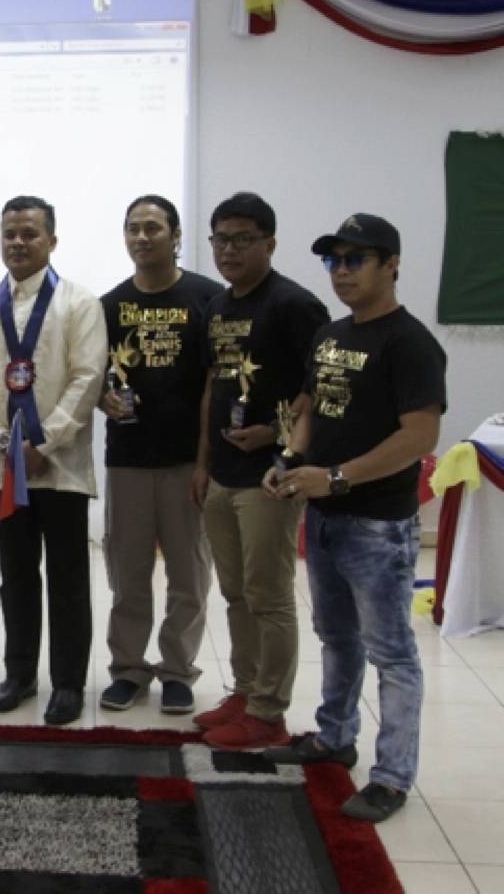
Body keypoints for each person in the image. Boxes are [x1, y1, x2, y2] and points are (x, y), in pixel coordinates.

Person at [263, 213, 445, 823]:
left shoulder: (412, 343)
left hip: (378, 526)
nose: (341, 271)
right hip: (323, 517)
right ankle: (334, 737)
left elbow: (418, 435)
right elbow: (310, 405)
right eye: (332, 261)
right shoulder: (330, 335)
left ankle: (392, 776)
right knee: (336, 638)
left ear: (391, 263)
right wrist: (289, 457)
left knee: (391, 653)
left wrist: (337, 477)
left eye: (355, 259)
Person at [0, 195, 107, 725]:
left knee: (68, 577)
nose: (17, 243)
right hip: (4, 468)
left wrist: (43, 443)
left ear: (52, 241)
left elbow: (89, 378)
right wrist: (4, 443)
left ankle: (67, 684)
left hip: (60, 468)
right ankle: (18, 675)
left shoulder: (79, 303)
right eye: (9, 234)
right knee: (15, 574)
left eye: (28, 234)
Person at [191, 192, 329, 749]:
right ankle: (245, 692)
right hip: (223, 472)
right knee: (235, 593)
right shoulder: (219, 307)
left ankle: (269, 711)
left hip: (271, 476)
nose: (229, 249)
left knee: (269, 596)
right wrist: (202, 463)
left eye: (243, 239)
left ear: (270, 243)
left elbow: (321, 389)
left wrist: (276, 435)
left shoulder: (295, 306)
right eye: (221, 239)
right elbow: (212, 388)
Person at [98, 196, 222, 716]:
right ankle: (128, 670)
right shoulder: (107, 305)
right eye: (133, 228)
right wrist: (103, 397)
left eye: (153, 227)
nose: (142, 237)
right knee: (127, 575)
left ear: (175, 235)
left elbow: (218, 385)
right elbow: (94, 374)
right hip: (127, 459)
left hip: (184, 464)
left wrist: (204, 463)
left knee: (188, 576)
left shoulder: (208, 299)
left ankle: (177, 671)